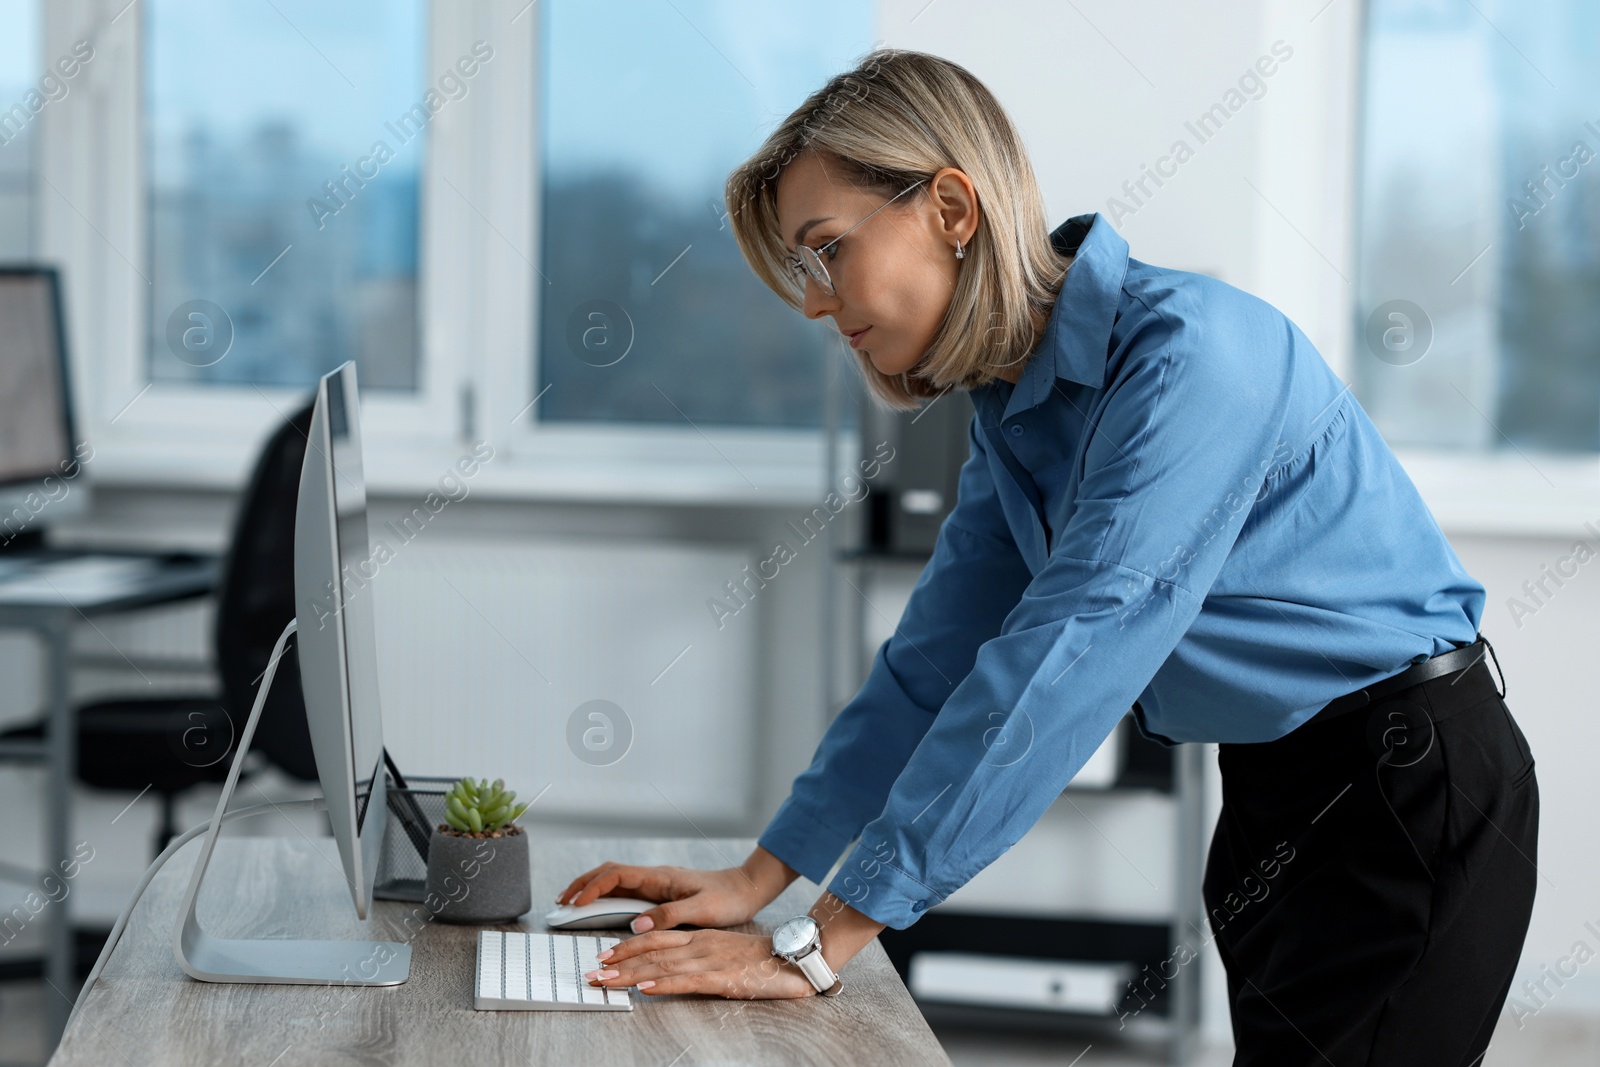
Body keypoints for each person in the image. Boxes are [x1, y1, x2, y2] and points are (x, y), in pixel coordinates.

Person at [560, 48, 1538, 1064]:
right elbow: (933, 665)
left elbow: (1067, 655)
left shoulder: (1188, 359)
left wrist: (824, 940)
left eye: (826, 250)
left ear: (949, 207)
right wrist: (760, 876)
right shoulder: (1018, 408)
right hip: (1276, 789)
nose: (814, 302)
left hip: (1404, 782)